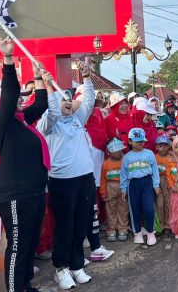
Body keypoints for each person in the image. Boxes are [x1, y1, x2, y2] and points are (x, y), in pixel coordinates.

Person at [0, 34, 50, 292]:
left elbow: (41, 103)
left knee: (29, 244)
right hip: (14, 195)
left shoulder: (21, 120)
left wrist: (38, 76)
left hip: (33, 192)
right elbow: (10, 93)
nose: (21, 100)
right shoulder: (1, 124)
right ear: (1, 104)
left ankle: (24, 286)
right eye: (16, 98)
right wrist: (8, 58)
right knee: (17, 246)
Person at [38, 59, 103, 289]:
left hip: (84, 178)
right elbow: (53, 110)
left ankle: (76, 265)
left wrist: (86, 79)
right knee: (64, 226)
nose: (66, 103)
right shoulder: (48, 123)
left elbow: (89, 101)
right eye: (61, 99)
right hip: (62, 182)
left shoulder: (77, 119)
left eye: (68, 99)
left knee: (79, 224)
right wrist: (48, 87)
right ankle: (61, 268)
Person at [75, 84, 112, 263]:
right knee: (82, 203)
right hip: (77, 168)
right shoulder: (74, 120)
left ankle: (94, 240)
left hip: (94, 158)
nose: (89, 106)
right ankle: (82, 240)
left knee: (93, 198)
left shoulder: (97, 113)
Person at [120, 128, 161, 246]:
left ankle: (150, 232)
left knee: (149, 208)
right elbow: (123, 173)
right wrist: (123, 188)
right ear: (129, 141)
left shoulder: (149, 153)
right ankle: (137, 232)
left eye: (142, 141)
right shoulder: (127, 157)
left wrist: (156, 184)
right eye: (137, 141)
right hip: (133, 184)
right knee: (135, 209)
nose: (140, 143)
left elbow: (155, 170)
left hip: (147, 183)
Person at [100, 139, 129, 242]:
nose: (118, 152)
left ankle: (123, 229)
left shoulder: (125, 161)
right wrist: (103, 192)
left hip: (123, 187)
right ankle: (111, 229)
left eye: (120, 150)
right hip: (110, 186)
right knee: (110, 210)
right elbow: (103, 179)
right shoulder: (106, 164)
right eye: (115, 150)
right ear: (109, 152)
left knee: (123, 209)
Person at [154, 135, 172, 235]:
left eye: (165, 145)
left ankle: (168, 225)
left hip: (168, 181)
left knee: (168, 203)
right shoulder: (154, 157)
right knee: (159, 204)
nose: (163, 148)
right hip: (157, 181)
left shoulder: (171, 157)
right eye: (160, 146)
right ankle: (160, 225)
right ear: (156, 147)